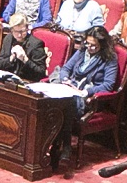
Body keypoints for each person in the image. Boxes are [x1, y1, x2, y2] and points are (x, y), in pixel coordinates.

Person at [48, 27, 119, 163]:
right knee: (59, 101)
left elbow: (108, 85)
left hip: (90, 99)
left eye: (94, 46)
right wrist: (65, 80)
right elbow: (66, 69)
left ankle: (63, 145)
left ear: (102, 45)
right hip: (72, 88)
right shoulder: (82, 51)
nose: (89, 48)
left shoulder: (110, 58)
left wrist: (87, 92)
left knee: (68, 103)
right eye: (87, 43)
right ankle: (60, 145)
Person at [0, 14, 49, 81]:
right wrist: (11, 59)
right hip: (7, 79)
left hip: (26, 81)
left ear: (27, 28)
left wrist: (25, 60)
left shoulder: (36, 44)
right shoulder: (8, 39)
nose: (19, 35)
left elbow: (41, 72)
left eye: (22, 31)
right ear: (11, 30)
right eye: (16, 31)